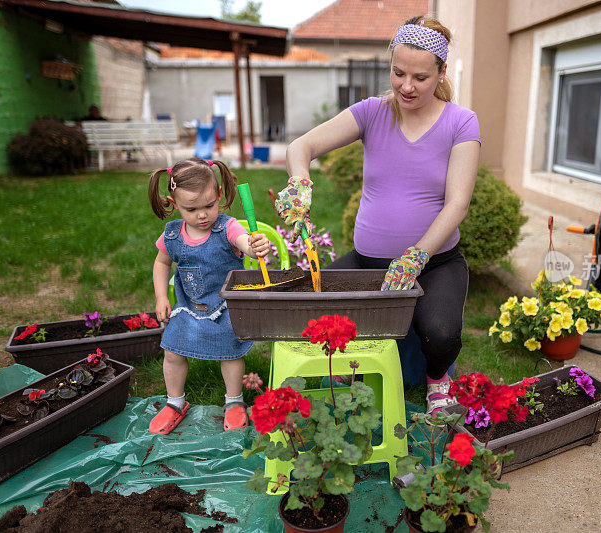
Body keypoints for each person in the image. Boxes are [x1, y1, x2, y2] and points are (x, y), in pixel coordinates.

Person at [274, 16, 480, 415]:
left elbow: (458, 203)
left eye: (420, 77)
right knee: (304, 307)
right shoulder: (372, 113)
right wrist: (300, 182)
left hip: (434, 263)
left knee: (441, 333)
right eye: (398, 72)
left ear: (441, 72)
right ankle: (346, 373)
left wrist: (417, 256)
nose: (406, 86)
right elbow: (302, 145)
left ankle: (439, 380)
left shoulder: (460, 122)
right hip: (367, 262)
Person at [147, 157, 270, 434]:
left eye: (209, 205)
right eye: (191, 209)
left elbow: (243, 243)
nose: (202, 215)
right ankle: (175, 402)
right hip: (189, 306)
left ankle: (234, 401)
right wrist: (161, 297)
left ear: (219, 197)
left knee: (229, 351)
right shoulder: (172, 235)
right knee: (172, 349)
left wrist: (253, 245)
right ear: (174, 203)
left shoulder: (226, 227)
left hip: (227, 306)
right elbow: (161, 263)